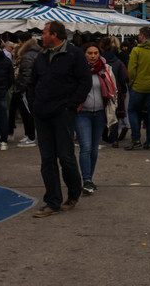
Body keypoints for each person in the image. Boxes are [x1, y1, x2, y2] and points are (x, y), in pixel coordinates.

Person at [28, 21, 90, 218]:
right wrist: (34, 103)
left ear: (54, 35)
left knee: (66, 157)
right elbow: (33, 81)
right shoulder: (42, 56)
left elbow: (84, 81)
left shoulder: (74, 54)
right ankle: (52, 201)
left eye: (44, 33)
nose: (41, 36)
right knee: (47, 159)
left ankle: (74, 192)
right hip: (42, 112)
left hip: (62, 112)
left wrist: (70, 105)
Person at [77, 43, 117, 193]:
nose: (93, 56)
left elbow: (113, 89)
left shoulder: (106, 70)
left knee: (94, 148)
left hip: (100, 112)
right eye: (89, 53)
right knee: (86, 147)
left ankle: (89, 179)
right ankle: (86, 179)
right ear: (84, 54)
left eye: (95, 53)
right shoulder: (78, 71)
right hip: (83, 113)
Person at [13, 37, 39, 147]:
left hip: (28, 88)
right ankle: (29, 135)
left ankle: (31, 137)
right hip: (32, 87)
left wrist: (22, 88)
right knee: (28, 112)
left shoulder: (27, 55)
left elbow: (26, 74)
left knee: (28, 113)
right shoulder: (36, 52)